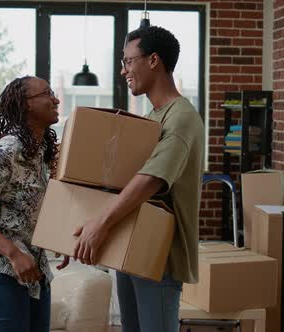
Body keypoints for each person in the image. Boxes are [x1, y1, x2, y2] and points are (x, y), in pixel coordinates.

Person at [73, 26, 205, 332]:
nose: (124, 71)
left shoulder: (181, 117)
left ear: (153, 60)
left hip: (158, 253)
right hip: (131, 244)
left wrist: (100, 224)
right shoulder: (151, 118)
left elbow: (151, 180)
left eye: (129, 61)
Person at [0, 76, 68, 332]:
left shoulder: (42, 153)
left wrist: (62, 239)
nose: (55, 99)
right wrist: (14, 254)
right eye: (47, 93)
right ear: (26, 105)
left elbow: (33, 208)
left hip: (34, 272)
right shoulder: (6, 151)